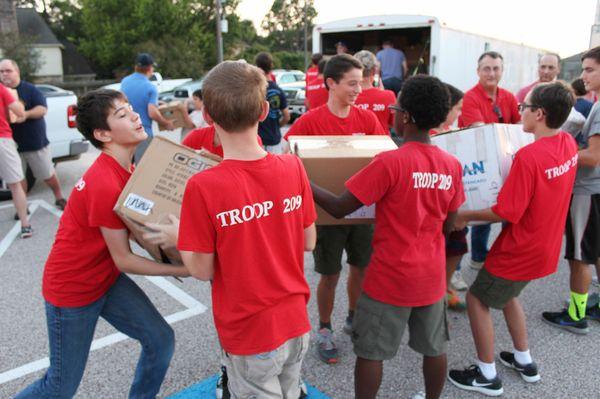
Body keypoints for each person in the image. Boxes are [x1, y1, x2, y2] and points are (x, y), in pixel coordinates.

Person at [13, 89, 189, 399]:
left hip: (104, 280)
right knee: (59, 386)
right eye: (122, 114)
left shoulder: (129, 170)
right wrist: (184, 268)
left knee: (160, 339)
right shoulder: (104, 182)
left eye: (131, 109)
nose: (135, 115)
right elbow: (124, 259)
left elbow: (135, 230)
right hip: (73, 291)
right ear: (102, 134)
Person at [163, 60, 316, 398]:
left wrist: (179, 239)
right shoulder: (293, 166)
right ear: (264, 111)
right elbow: (309, 240)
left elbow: (201, 269)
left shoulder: (204, 186)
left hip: (250, 333)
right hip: (295, 321)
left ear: (207, 117)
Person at [311, 75, 463, 399]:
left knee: (371, 352)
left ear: (405, 116)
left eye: (395, 109)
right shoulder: (451, 165)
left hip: (390, 278)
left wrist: (300, 176)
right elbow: (450, 224)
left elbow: (339, 207)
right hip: (431, 276)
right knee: (434, 348)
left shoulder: (390, 162)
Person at [448, 82, 577, 396]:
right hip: (545, 245)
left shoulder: (528, 156)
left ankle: (486, 374)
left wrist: (463, 215)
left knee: (478, 299)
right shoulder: (568, 143)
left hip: (520, 246)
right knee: (508, 295)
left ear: (540, 113)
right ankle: (524, 360)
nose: (521, 110)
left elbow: (507, 210)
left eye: (525, 106)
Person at [285, 54, 387, 365]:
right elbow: (289, 161)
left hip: (362, 211)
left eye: (362, 82)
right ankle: (325, 328)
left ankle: (353, 317)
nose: (359, 89)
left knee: (361, 267)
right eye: (352, 83)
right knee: (329, 274)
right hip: (326, 216)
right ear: (331, 83)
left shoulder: (367, 120)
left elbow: (383, 159)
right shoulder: (310, 122)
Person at [542, 46, 600, 334]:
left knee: (579, 255)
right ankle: (596, 305)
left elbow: (592, 157)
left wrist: (562, 149)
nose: (583, 76)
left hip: (588, 191)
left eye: (589, 69)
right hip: (596, 189)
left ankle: (576, 314)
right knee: (596, 249)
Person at [458, 51, 521, 271]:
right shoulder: (470, 97)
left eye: (496, 68)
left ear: (502, 71)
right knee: (478, 215)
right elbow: (480, 133)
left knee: (507, 212)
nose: (491, 73)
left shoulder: (509, 97)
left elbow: (520, 127)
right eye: (487, 68)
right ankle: (469, 262)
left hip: (503, 163)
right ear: (478, 71)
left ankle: (493, 257)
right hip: (478, 166)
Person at [0, 59, 67, 211]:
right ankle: (22, 208)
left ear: (17, 72)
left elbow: (42, 109)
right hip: (11, 144)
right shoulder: (1, 91)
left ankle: (59, 197)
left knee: (47, 174)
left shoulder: (30, 89)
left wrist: (26, 114)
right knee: (18, 178)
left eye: (8, 71)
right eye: (1, 71)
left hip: (34, 141)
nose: (4, 74)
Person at [430, 83, 469, 310]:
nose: (460, 114)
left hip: (457, 207)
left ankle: (443, 288)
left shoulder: (452, 135)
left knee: (456, 248)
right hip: (441, 209)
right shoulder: (435, 137)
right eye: (458, 108)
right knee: (442, 250)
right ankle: (437, 292)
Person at [120, 53, 174, 162]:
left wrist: (156, 102)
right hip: (142, 133)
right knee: (142, 170)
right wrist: (166, 123)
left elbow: (130, 100)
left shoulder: (125, 81)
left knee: (127, 169)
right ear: (150, 68)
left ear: (136, 67)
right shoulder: (150, 87)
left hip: (124, 131)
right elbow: (152, 112)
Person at [0, 73, 29, 237]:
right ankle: (25, 224)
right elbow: (19, 111)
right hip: (2, 139)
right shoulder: (2, 89)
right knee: (15, 185)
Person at [254, 52, 290, 154]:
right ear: (271, 66)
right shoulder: (278, 90)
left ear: (257, 66)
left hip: (257, 140)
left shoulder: (253, 90)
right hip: (274, 139)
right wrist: (277, 126)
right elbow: (287, 116)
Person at [353, 50, 396, 131]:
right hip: (382, 142)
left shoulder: (347, 97)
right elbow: (394, 124)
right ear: (374, 70)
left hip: (355, 142)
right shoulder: (388, 95)